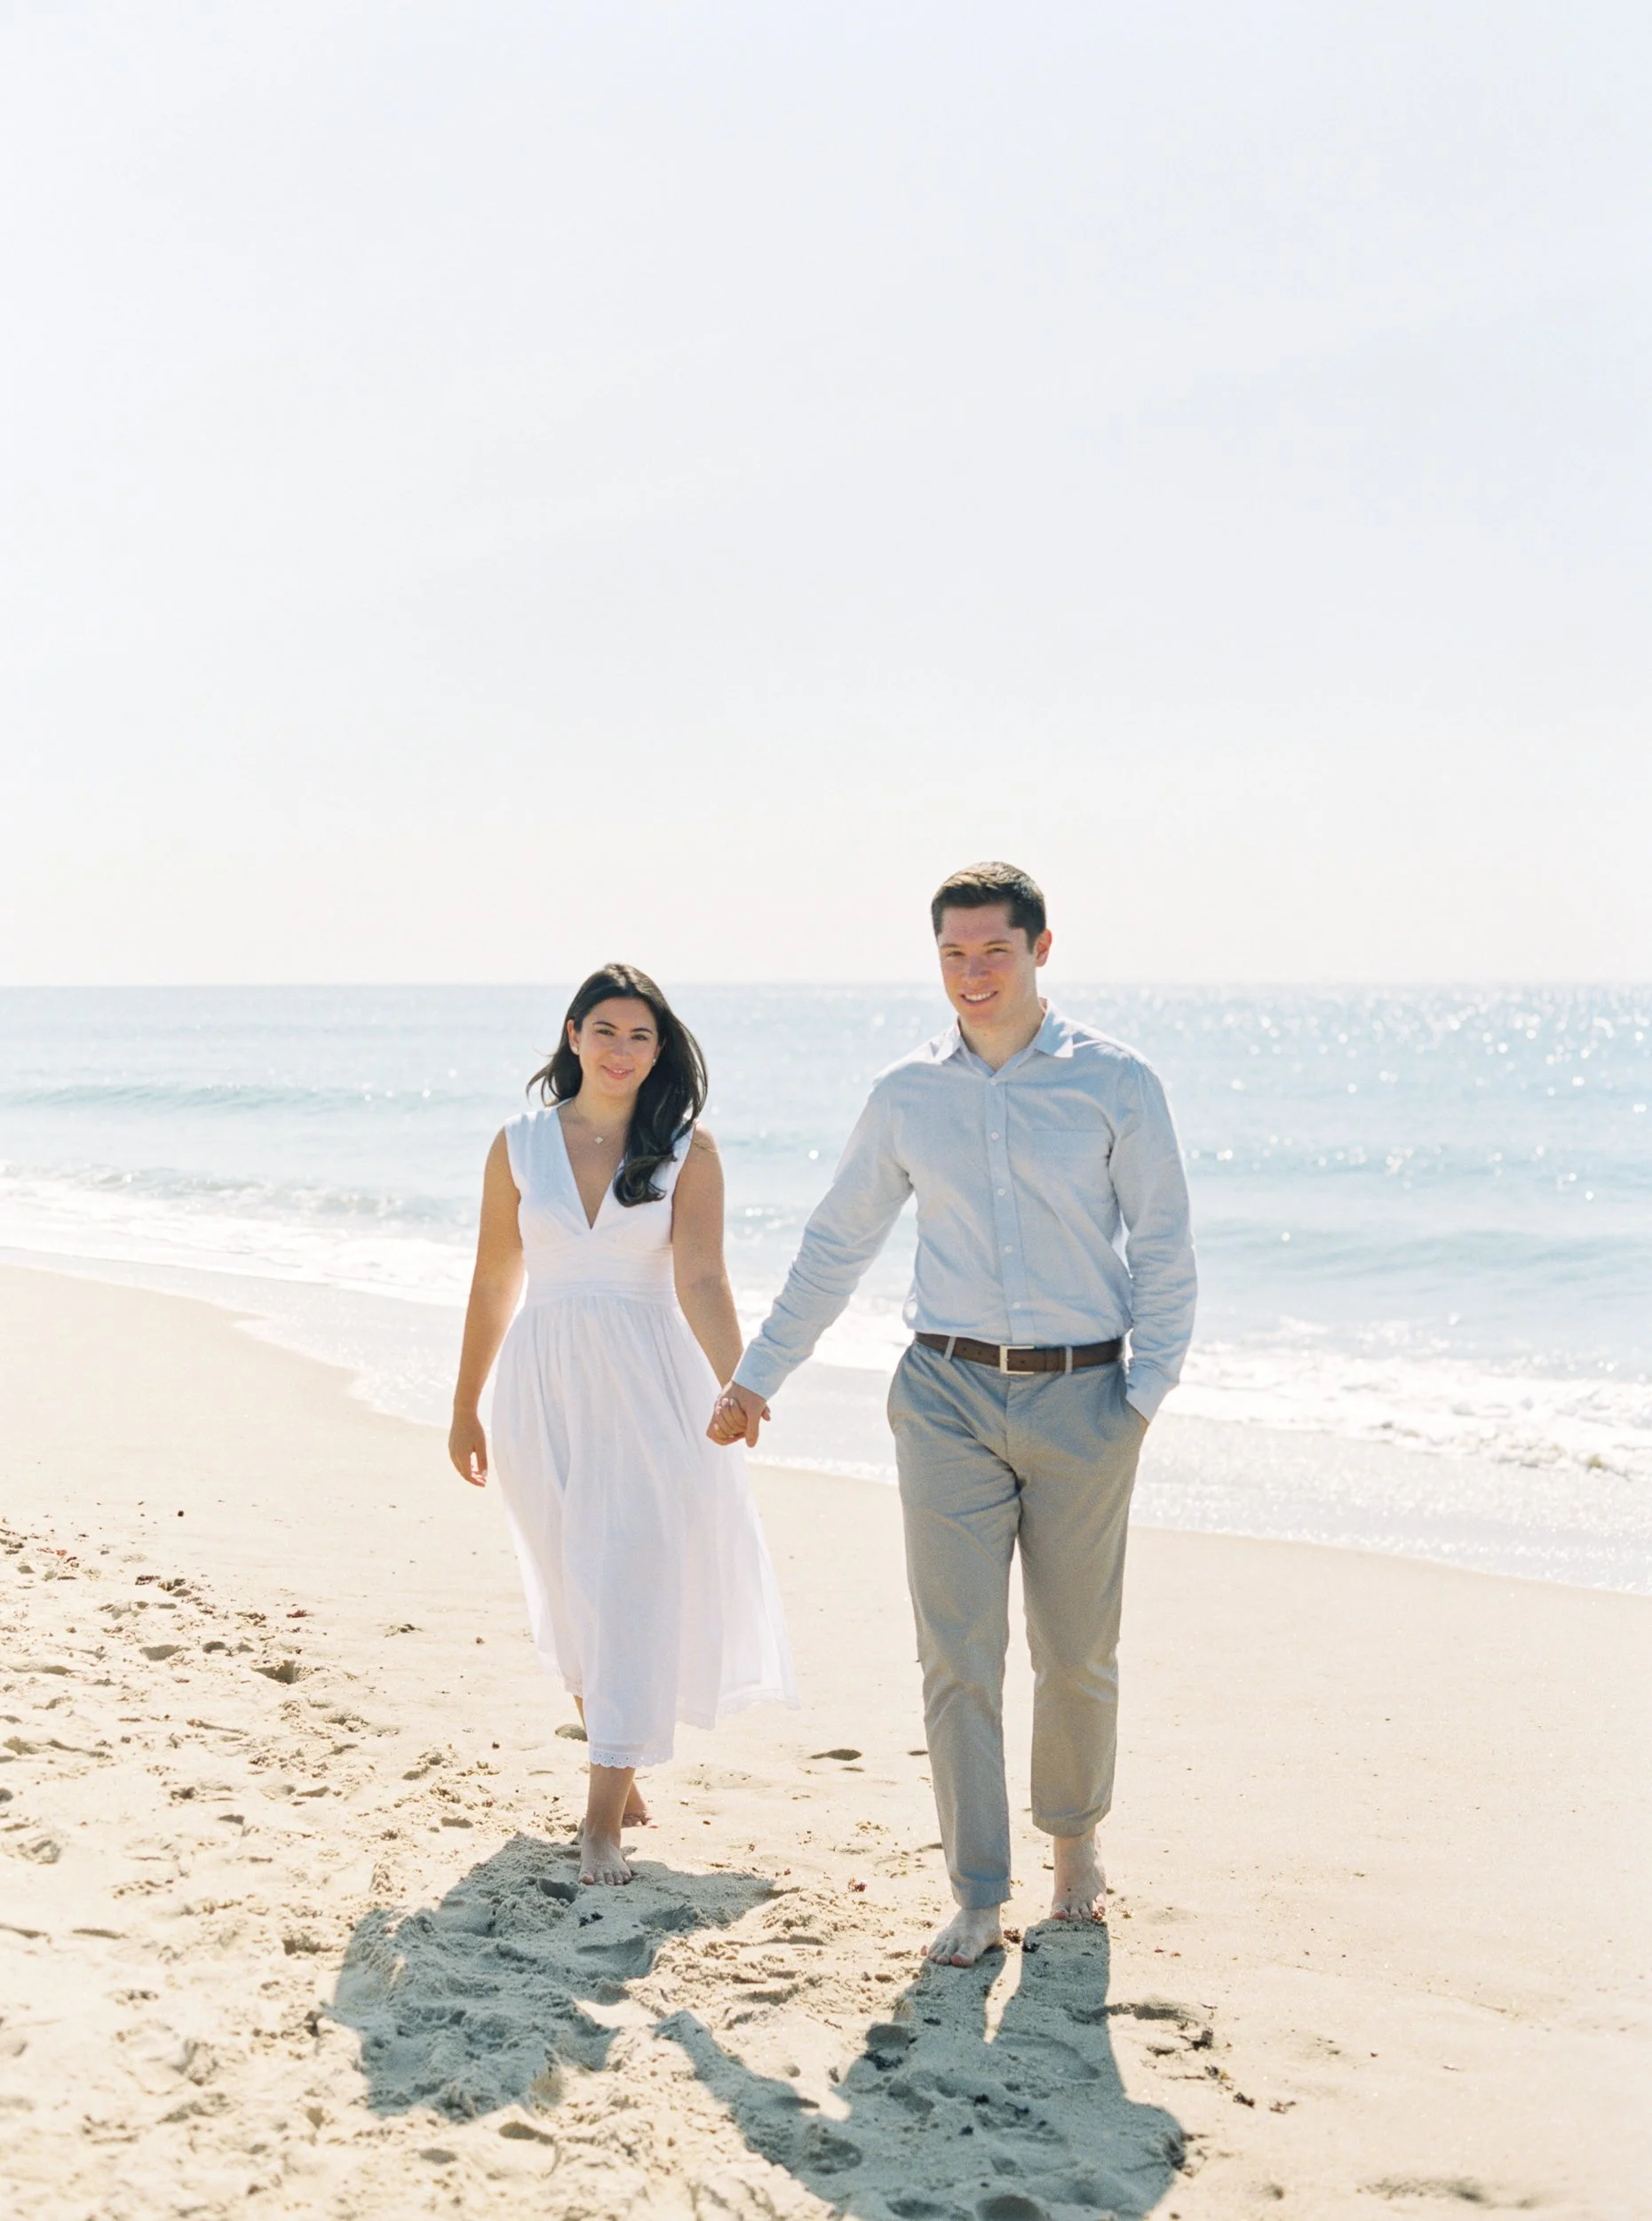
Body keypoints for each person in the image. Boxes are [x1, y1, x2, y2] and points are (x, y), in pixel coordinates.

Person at [710, 864, 1195, 1965]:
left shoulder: (1117, 1082)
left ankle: (1075, 1844)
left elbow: (1164, 1243)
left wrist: (1145, 1396)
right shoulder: (904, 1094)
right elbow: (838, 1243)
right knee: (956, 1654)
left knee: (1077, 1651)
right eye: (953, 955)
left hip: (1087, 1395)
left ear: (1041, 949)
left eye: (994, 952)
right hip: (946, 1395)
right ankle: (978, 1890)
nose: (973, 976)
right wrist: (757, 1376)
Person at [451, 963, 797, 1886]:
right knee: (571, 1585)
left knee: (626, 1582)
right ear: (572, 1036)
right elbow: (494, 1280)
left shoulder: (688, 1149)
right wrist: (464, 1405)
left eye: (641, 1035)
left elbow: (703, 1280)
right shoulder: (519, 1146)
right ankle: (620, 1753)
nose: (622, 1049)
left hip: (650, 1389)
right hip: (539, 1385)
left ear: (660, 1051)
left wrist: (743, 1384)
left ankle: (600, 1818)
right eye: (605, 1030)